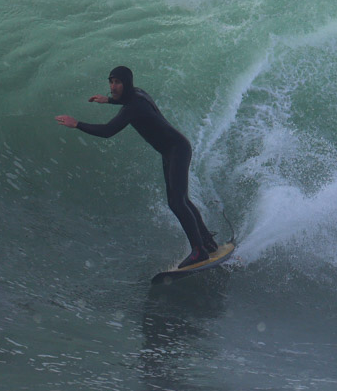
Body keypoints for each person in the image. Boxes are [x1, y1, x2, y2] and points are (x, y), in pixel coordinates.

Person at [55, 66, 217, 268]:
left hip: (177, 150)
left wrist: (77, 124)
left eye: (118, 82)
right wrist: (109, 100)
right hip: (171, 151)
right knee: (180, 200)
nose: (113, 86)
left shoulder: (133, 107)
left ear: (127, 83)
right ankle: (208, 243)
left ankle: (199, 250)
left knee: (177, 202)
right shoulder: (138, 94)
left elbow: (108, 131)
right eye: (111, 82)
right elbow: (127, 99)